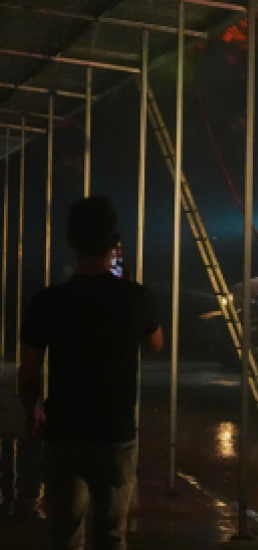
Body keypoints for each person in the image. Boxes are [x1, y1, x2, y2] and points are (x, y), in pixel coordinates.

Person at [18, 195, 164, 550]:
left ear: (70, 242)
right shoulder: (136, 297)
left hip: (64, 433)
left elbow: (29, 371)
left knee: (64, 535)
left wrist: (31, 410)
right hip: (115, 435)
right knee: (111, 535)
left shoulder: (48, 301)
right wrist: (128, 289)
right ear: (115, 243)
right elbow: (155, 345)